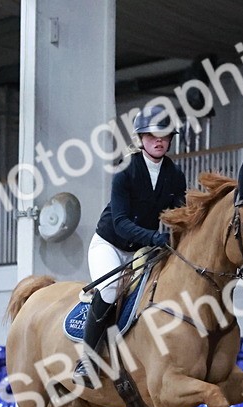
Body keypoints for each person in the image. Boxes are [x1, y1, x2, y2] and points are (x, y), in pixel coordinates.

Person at [74, 105, 188, 384]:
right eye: (152, 135)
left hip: (142, 249)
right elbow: (121, 222)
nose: (159, 141)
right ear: (141, 138)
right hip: (110, 244)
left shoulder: (174, 174)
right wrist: (154, 237)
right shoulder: (125, 171)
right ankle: (87, 361)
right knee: (111, 289)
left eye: (164, 136)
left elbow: (181, 215)